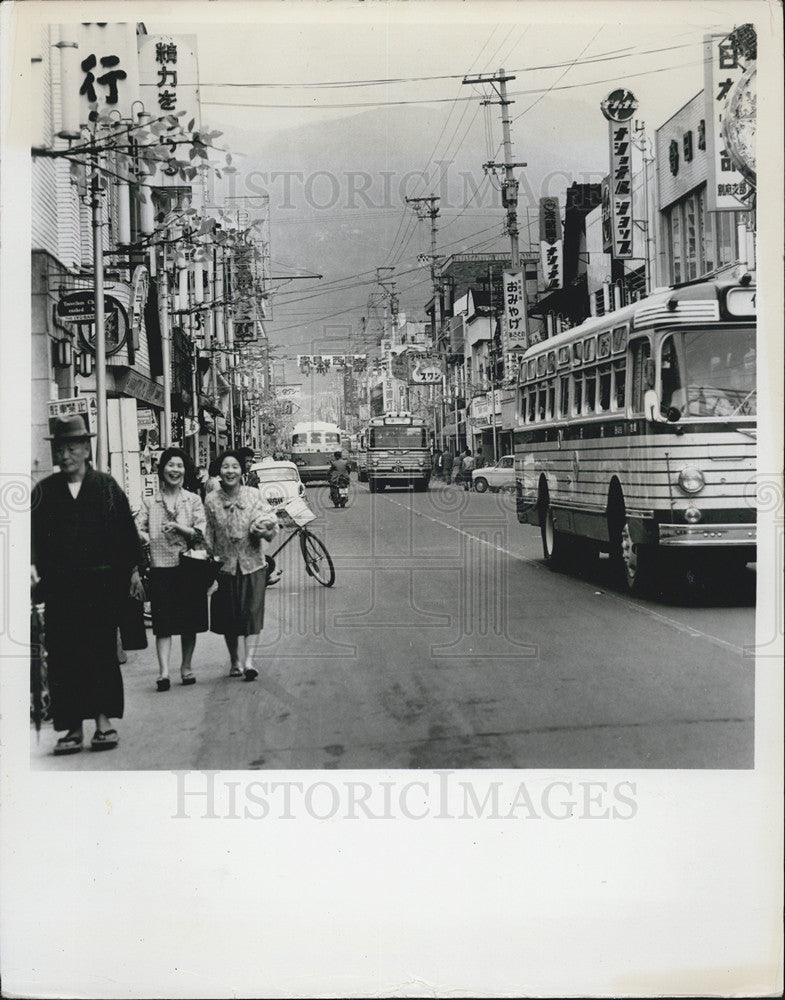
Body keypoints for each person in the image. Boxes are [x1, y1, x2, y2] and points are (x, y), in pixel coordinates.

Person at [31, 416, 144, 755]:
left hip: (101, 589)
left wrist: (133, 573)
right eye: (60, 448)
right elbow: (33, 541)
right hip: (60, 589)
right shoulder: (45, 493)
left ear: (85, 449)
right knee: (65, 656)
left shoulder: (106, 487)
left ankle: (102, 722)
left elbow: (127, 535)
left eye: (72, 448)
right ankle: (71, 728)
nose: (65, 455)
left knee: (99, 653)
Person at [135, 447, 208, 691]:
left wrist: (179, 527)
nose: (174, 470)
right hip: (161, 567)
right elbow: (138, 528)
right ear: (162, 469)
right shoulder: (150, 501)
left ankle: (186, 667)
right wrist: (143, 536)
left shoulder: (193, 500)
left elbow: (201, 531)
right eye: (170, 465)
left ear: (185, 471)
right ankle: (164, 672)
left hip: (189, 565)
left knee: (189, 622)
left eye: (179, 466)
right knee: (163, 624)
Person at [204, 450, 278, 681]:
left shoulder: (254, 495)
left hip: (252, 564)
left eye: (235, 466)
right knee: (229, 617)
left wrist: (264, 528)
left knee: (251, 613)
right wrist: (208, 565)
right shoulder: (211, 500)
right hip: (224, 566)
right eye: (226, 467)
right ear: (220, 471)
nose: (230, 471)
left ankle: (248, 661)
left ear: (241, 470)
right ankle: (234, 659)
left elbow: (269, 520)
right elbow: (208, 533)